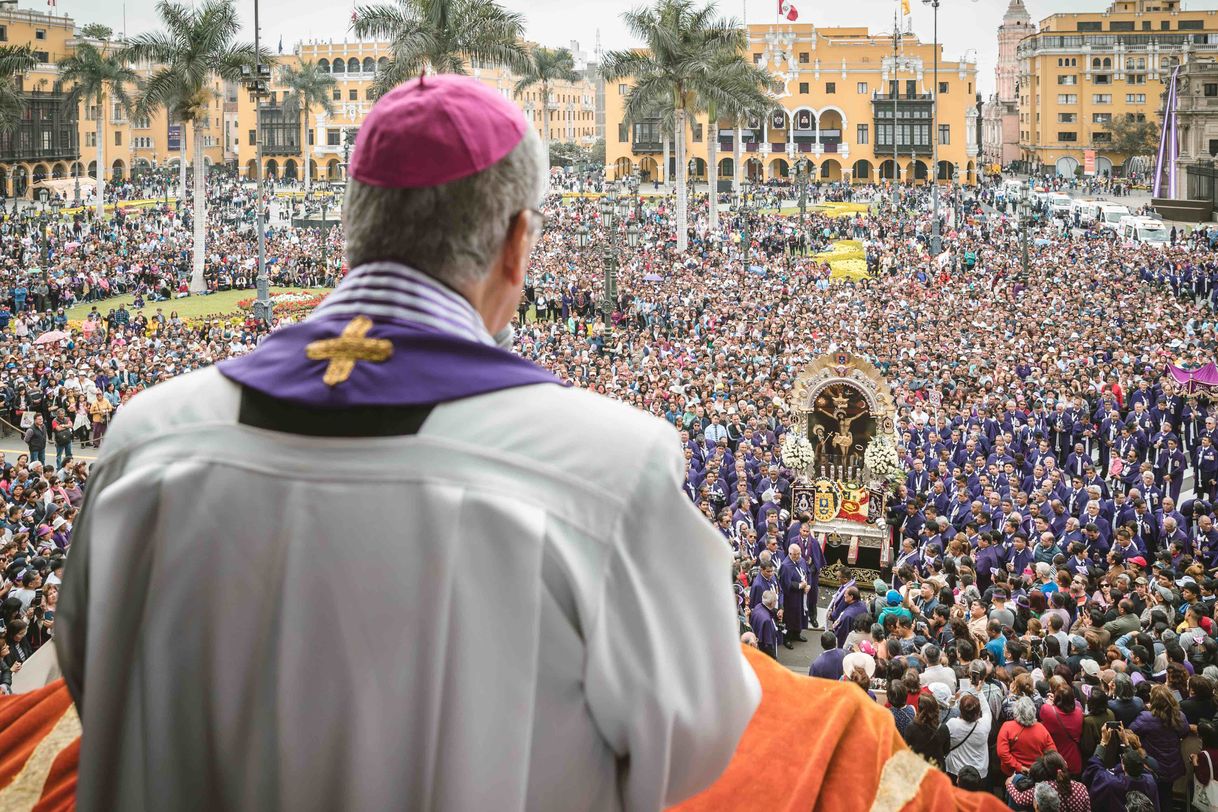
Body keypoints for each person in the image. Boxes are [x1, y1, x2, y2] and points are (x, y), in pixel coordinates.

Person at [55, 76, 760, 812]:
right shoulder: (608, 473)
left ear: (353, 231)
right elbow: (695, 735)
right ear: (517, 245)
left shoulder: (144, 443)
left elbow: (92, 677)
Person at [1131, 684, 1191, 810]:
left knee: (1153, 796)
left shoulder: (1146, 717)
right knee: (1167, 794)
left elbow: (1131, 731)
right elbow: (1185, 732)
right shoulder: (1179, 716)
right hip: (1173, 764)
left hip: (1153, 765)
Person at [997, 696, 1058, 778]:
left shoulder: (1007, 726)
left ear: (1016, 711)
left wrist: (1019, 767)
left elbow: (1002, 753)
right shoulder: (1041, 728)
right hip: (1036, 773)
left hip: (1013, 774)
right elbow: (1052, 751)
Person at [945, 692, 993, 783]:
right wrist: (979, 691)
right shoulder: (984, 724)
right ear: (978, 712)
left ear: (961, 710)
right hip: (979, 772)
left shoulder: (953, 724)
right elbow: (987, 710)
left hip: (956, 770)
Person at [905, 691, 950, 768]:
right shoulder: (943, 728)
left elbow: (907, 748)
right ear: (936, 708)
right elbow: (946, 750)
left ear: (919, 708)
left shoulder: (911, 727)